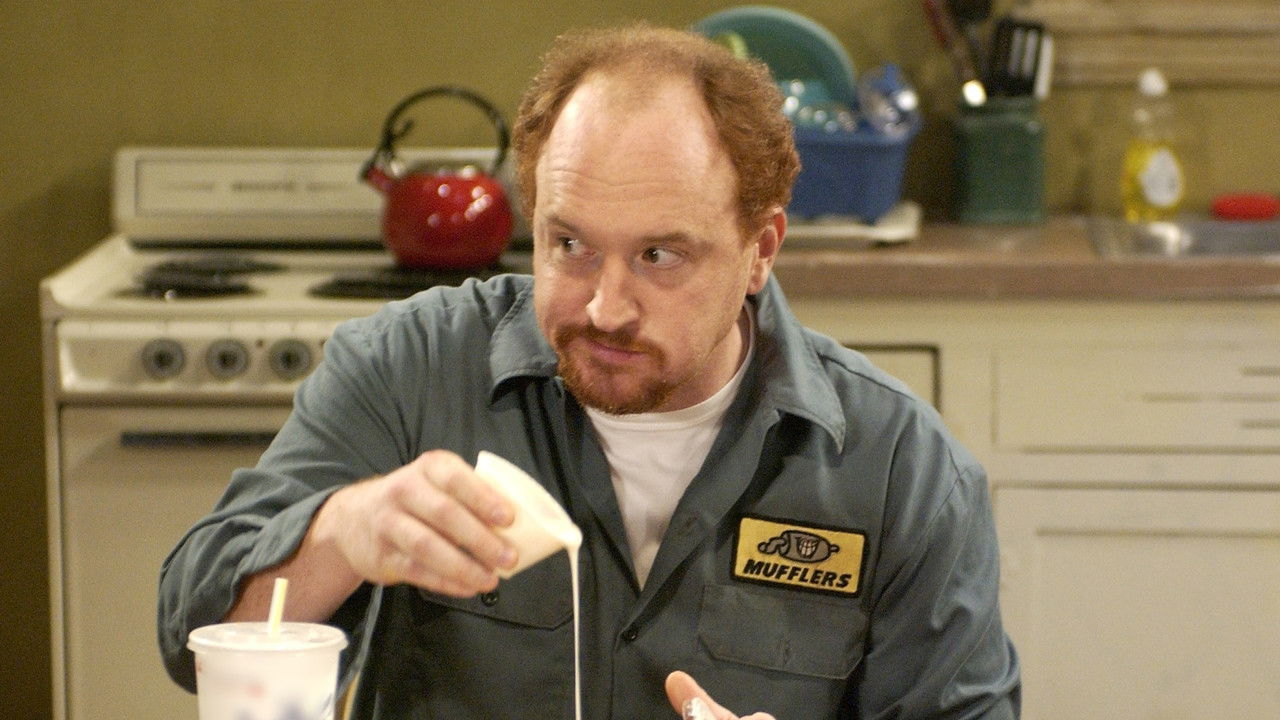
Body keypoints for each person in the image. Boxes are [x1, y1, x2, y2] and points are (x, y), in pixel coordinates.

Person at [159, 22, 1019, 720]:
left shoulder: (900, 469)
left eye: (658, 256)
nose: (606, 307)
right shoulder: (406, 372)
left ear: (760, 249)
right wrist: (341, 532)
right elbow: (192, 637)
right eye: (569, 244)